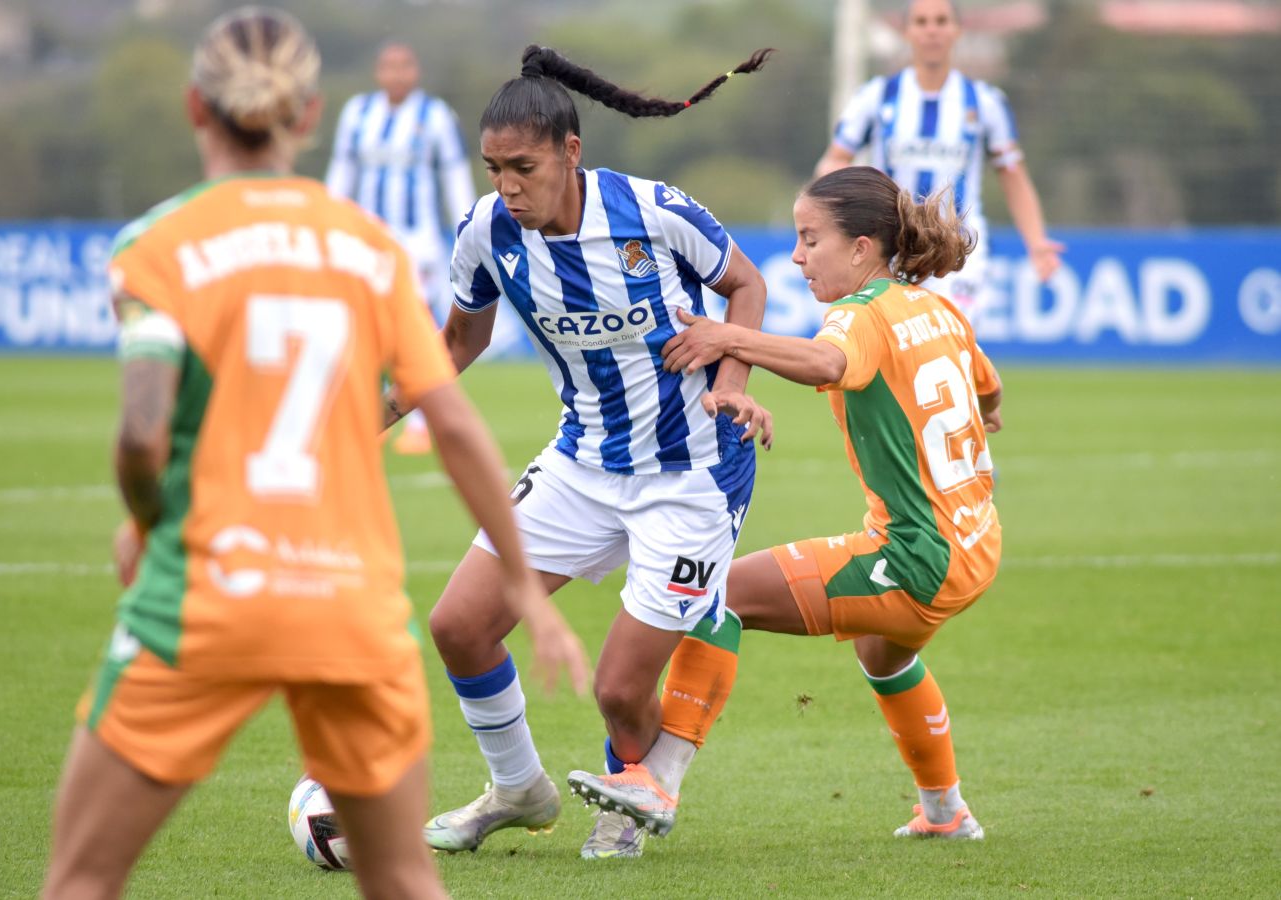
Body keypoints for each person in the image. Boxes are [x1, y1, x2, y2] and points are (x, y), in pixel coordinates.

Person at [41, 10, 587, 900]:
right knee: (406, 881)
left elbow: (143, 434)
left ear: (194, 107)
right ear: (307, 117)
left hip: (208, 594)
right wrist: (528, 588)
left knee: (83, 879)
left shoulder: (156, 246)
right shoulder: (366, 251)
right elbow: (450, 426)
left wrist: (146, 526)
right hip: (348, 606)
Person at [381, 44, 774, 860]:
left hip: (692, 472)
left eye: (522, 167)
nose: (507, 187)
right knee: (459, 625)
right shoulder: (487, 232)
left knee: (619, 690)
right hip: (581, 461)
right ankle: (518, 788)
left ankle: (624, 801)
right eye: (492, 169)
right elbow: (452, 346)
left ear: (570, 151)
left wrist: (730, 378)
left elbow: (745, 285)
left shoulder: (652, 211)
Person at [580, 165, 1002, 840]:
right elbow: (989, 388)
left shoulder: (856, 313)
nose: (799, 256)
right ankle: (944, 812)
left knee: (714, 593)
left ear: (861, 249)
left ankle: (657, 781)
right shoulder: (935, 307)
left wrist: (727, 336)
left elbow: (829, 364)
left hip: (918, 554)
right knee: (882, 654)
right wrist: (984, 415)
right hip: (977, 543)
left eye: (810, 239)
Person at [815, 0, 1062, 319]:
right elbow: (833, 162)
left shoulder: (985, 102)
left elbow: (1012, 173)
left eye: (941, 21)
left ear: (957, 30)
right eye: (922, 22)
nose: (932, 30)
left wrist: (1037, 242)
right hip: (892, 243)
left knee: (954, 340)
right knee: (892, 346)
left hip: (958, 247)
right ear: (907, 31)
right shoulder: (876, 96)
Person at [326, 41, 477, 455]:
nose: (396, 75)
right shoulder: (357, 113)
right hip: (366, 242)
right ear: (378, 72)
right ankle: (366, 417)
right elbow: (341, 175)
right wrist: (330, 228)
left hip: (416, 243)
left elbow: (455, 178)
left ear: (416, 72)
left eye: (404, 66)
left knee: (418, 329)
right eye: (388, 67)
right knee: (361, 327)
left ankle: (421, 421)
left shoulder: (436, 117)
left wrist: (468, 230)